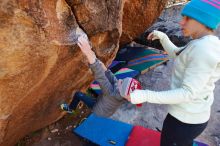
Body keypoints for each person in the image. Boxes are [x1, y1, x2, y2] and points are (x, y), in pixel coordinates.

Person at [123, 0, 220, 146]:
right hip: (188, 116)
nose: (181, 22)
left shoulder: (203, 50)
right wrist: (163, 37)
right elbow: (178, 54)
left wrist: (144, 95)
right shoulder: (203, 42)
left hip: (186, 120)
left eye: (187, 18)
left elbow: (187, 93)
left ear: (202, 20)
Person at [61, 35, 142, 117]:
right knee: (84, 96)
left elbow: (100, 76)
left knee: (78, 95)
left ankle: (71, 109)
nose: (120, 80)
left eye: (122, 83)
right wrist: (94, 57)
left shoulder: (111, 94)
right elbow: (107, 73)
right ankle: (74, 108)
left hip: (97, 112)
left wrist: (88, 52)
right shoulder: (121, 92)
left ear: (123, 92)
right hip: (103, 105)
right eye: (124, 80)